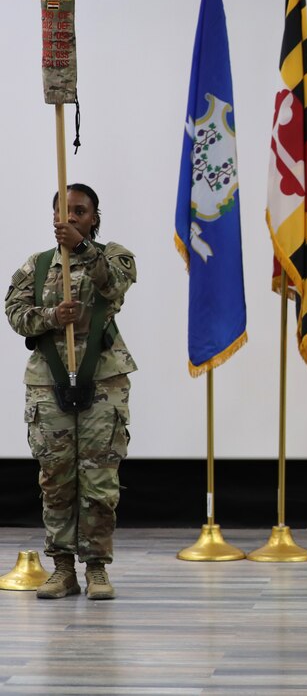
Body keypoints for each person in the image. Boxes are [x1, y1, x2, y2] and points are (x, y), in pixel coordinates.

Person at [5, 184, 137, 601]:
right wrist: (49, 316)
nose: (71, 218)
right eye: (64, 212)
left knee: (99, 478)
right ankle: (62, 568)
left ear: (94, 218)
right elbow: (14, 312)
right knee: (56, 477)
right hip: (48, 381)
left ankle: (96, 567)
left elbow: (113, 286)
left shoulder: (115, 256)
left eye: (80, 212)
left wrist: (82, 247)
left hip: (102, 380)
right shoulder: (37, 266)